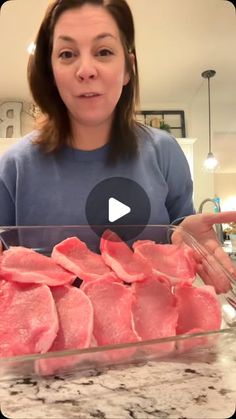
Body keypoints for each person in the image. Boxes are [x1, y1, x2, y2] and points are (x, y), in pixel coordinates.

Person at [0, 0, 235, 290]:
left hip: (152, 336)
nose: (85, 70)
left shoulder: (164, 151)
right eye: (67, 54)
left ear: (128, 69)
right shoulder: (13, 167)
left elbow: (180, 226)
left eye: (104, 52)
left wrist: (186, 242)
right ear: (50, 72)